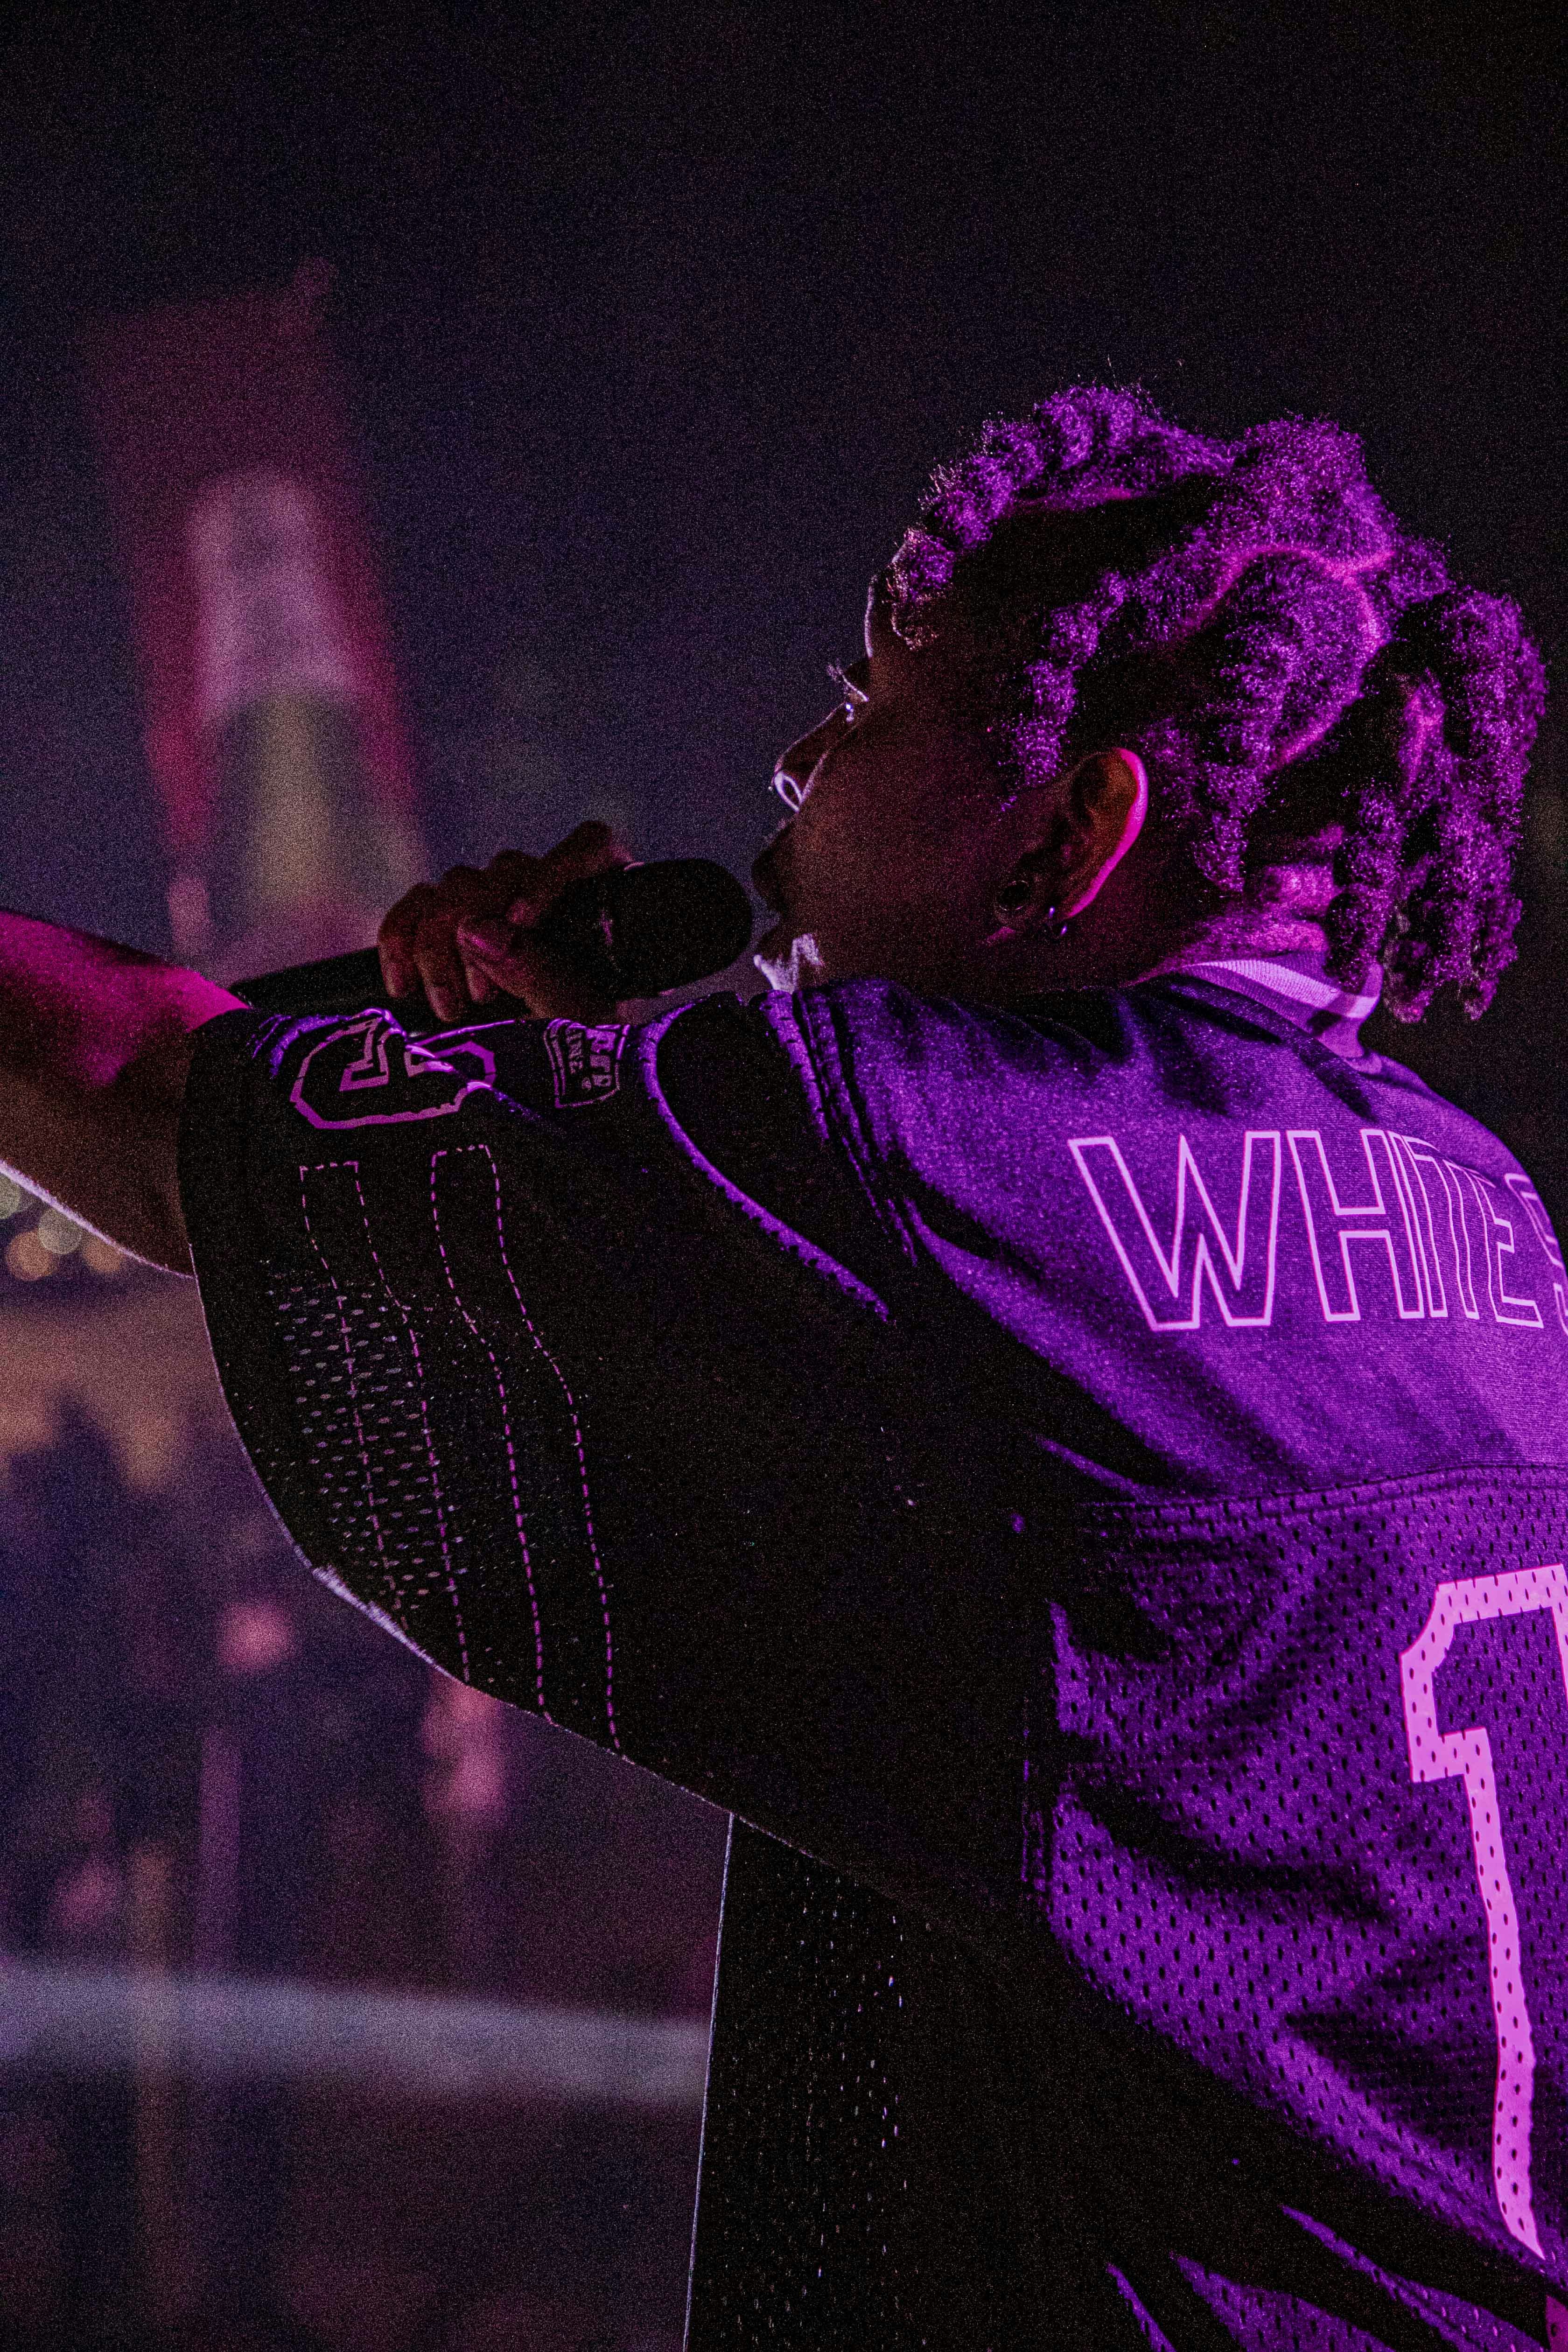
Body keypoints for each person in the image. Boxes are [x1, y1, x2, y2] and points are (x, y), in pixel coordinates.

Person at [0, 385, 1558, 2348]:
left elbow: (148, 1102)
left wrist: (622, 1127)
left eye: (865, 700)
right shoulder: (1488, 1211)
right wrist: (591, 1104)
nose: (795, 760)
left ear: (1072, 832)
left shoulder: (930, 1143)